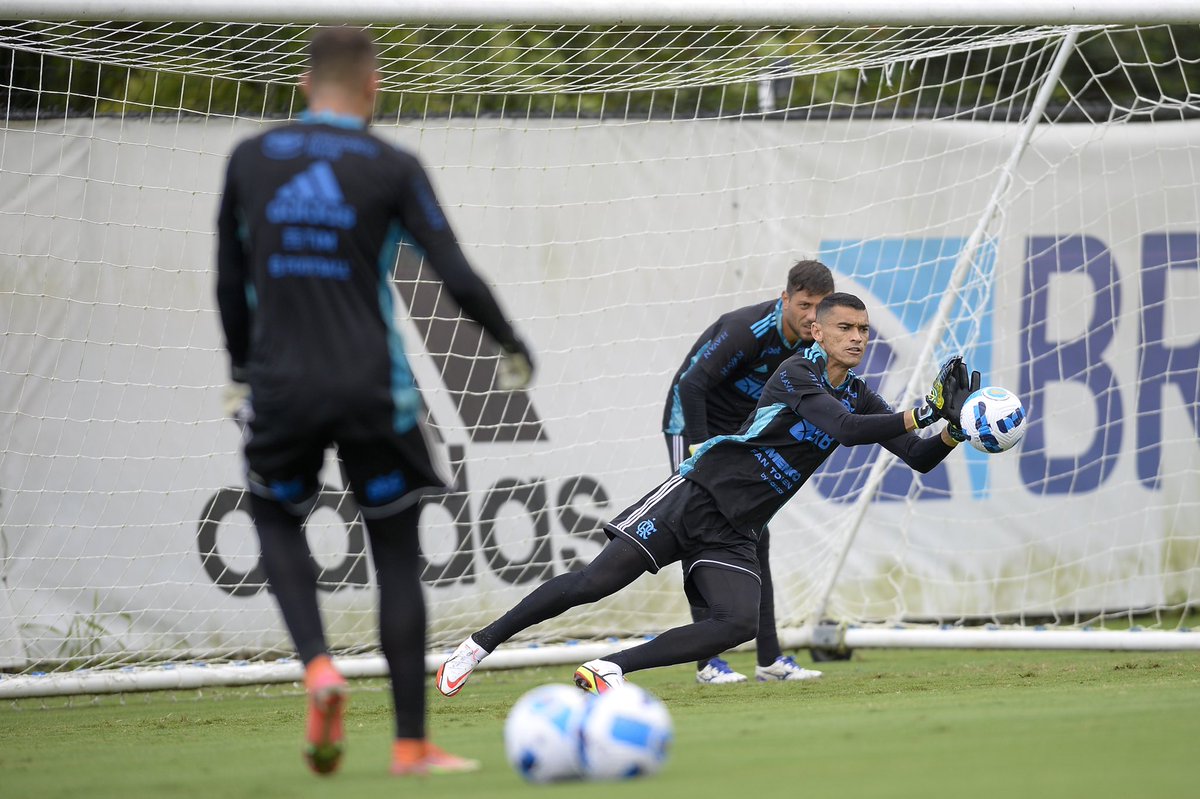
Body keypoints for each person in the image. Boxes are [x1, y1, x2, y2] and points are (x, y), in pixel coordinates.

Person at [214, 26, 534, 778]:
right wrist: (510, 341)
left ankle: (320, 667)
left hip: (282, 383)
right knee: (395, 554)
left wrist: (240, 366)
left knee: (272, 512)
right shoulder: (390, 163)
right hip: (372, 386)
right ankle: (410, 743)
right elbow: (453, 270)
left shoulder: (250, 159)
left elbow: (228, 281)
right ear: (372, 89)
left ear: (304, 84)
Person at [435, 292, 977, 697]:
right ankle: (479, 643)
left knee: (737, 623)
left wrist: (956, 427)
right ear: (817, 332)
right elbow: (846, 430)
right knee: (594, 583)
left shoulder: (859, 393)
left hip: (736, 527)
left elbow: (920, 456)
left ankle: (611, 667)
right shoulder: (796, 373)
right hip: (694, 494)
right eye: (845, 327)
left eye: (863, 329)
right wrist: (925, 409)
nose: (858, 337)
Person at [663, 259, 834, 684]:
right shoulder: (747, 330)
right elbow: (690, 385)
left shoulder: (818, 342)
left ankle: (770, 660)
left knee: (757, 534)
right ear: (785, 299)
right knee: (696, 530)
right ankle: (707, 662)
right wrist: (701, 448)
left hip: (741, 432)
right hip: (692, 424)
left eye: (820, 307)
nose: (811, 316)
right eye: (804, 304)